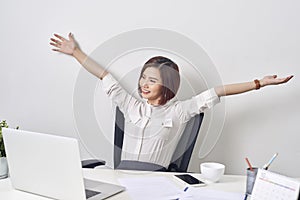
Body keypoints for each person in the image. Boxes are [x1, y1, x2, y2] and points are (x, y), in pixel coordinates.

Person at [50, 33, 293, 171]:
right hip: (123, 179)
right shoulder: (130, 105)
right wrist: (74, 52)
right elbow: (104, 75)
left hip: (158, 184)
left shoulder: (179, 111)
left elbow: (217, 91)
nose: (144, 84)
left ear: (166, 85)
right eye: (143, 77)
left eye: (152, 80)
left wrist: (259, 83)